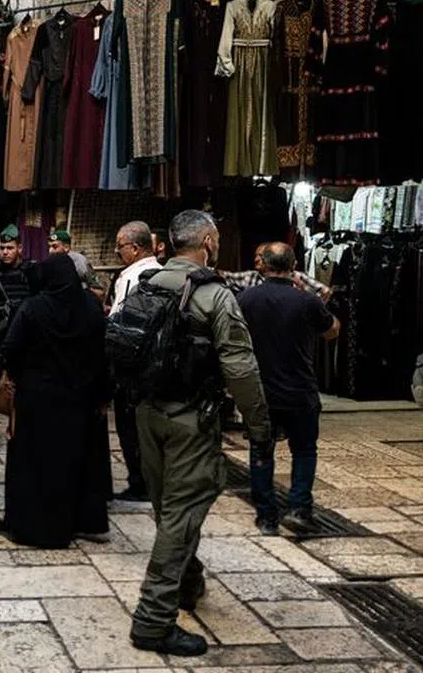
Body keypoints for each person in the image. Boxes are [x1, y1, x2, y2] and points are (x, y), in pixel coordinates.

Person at [128, 210, 271, 657]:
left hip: (147, 413)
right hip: (190, 418)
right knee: (182, 512)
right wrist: (259, 425)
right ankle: (152, 620)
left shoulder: (146, 284)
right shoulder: (214, 295)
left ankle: (186, 582)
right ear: (207, 241)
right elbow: (241, 368)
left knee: (168, 506)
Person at [0, 255, 111, 548]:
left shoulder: (32, 308)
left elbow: (11, 348)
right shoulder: (91, 308)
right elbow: (102, 354)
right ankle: (75, 520)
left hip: (37, 399)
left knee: (33, 465)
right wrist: (102, 395)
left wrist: (18, 375)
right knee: (72, 462)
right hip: (78, 398)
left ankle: (32, 526)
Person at [237, 242, 340, 535]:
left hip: (260, 391)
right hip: (300, 390)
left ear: (263, 265)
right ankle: (298, 509)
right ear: (293, 266)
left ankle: (267, 517)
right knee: (304, 451)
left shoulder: (246, 299)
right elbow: (331, 330)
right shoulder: (307, 302)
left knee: (260, 451)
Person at [109, 222, 163, 503]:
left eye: (120, 246)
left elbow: (120, 323)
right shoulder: (165, 274)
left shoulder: (131, 277)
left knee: (129, 427)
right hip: (158, 365)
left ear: (135, 248)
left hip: (131, 368)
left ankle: (139, 483)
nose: (118, 251)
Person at [0, 225, 36, 452]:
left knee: (24, 390)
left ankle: (21, 431)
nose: (5, 252)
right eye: (2, 248)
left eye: (10, 248)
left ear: (20, 248)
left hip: (24, 341)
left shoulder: (30, 272)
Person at [223, 242, 332, 302]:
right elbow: (226, 276)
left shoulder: (296, 277)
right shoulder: (250, 277)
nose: (256, 259)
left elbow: (325, 291)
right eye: (255, 256)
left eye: (260, 256)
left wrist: (312, 306)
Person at [47, 230, 105, 298]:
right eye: (49, 246)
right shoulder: (50, 263)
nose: (50, 250)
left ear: (66, 247)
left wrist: (80, 291)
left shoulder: (80, 261)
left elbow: (99, 291)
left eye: (55, 247)